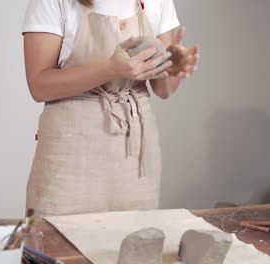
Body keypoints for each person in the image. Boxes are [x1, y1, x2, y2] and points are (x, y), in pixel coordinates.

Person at [22, 0, 199, 217]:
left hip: (136, 163)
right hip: (70, 157)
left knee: (133, 243)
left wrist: (175, 66)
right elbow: (39, 86)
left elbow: (164, 89)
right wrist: (110, 69)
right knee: (58, 245)